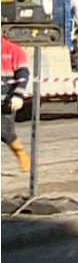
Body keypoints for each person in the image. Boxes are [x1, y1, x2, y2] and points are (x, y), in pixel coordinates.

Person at [2, 36, 31, 173]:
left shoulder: (13, 50)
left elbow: (23, 75)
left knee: (4, 130)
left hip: (6, 101)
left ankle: (22, 155)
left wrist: (18, 95)